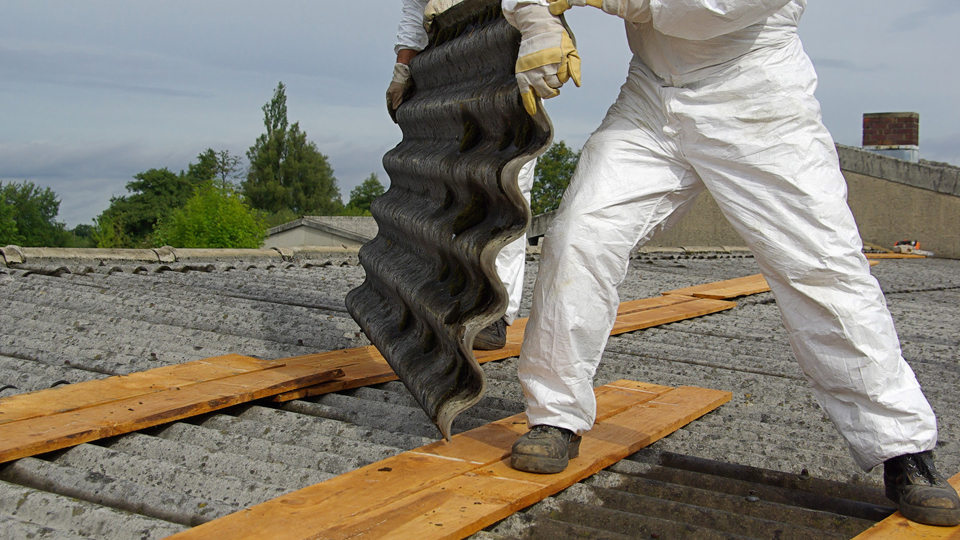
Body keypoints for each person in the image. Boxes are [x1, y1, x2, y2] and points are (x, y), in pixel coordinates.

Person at [496, 0, 960, 527]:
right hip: (651, 97)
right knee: (579, 237)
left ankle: (904, 450)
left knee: (822, 270)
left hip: (757, 100)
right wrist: (536, 21)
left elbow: (706, 10)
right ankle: (555, 417)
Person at [389, 0, 537, 350]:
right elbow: (414, 8)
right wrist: (403, 68)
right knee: (444, 185)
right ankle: (445, 300)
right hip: (446, 62)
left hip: (503, 50)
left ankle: (496, 313)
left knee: (506, 187)